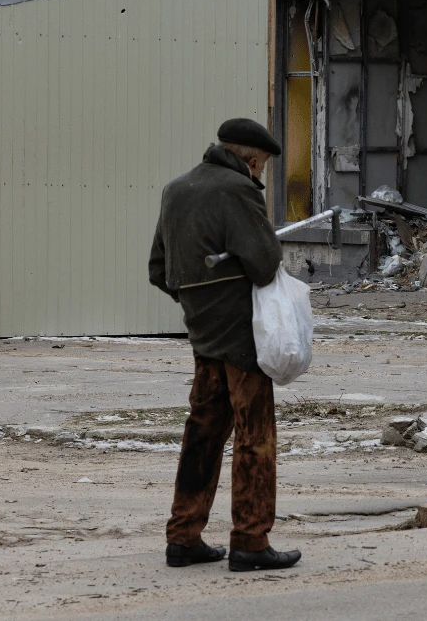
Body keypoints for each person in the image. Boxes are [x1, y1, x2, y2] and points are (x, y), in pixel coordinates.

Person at [148, 118, 302, 572]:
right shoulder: (237, 191)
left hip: (202, 333)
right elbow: (265, 263)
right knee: (255, 437)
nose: (262, 174)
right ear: (251, 159)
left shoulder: (176, 190)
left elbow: (159, 270)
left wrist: (197, 300)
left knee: (204, 433)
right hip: (242, 336)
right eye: (264, 166)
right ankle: (251, 542)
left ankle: (184, 537)